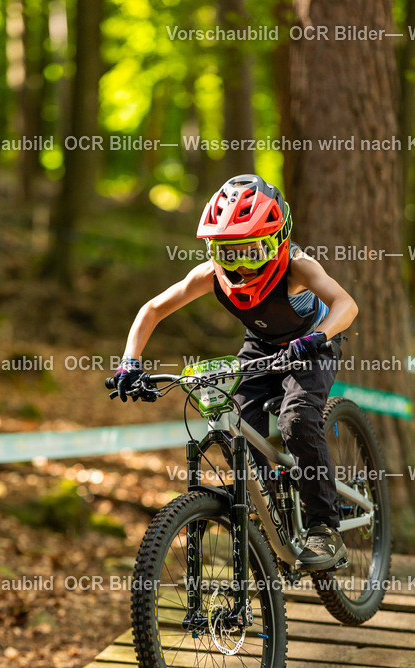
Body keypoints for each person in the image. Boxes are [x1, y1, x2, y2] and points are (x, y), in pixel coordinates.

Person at [110, 173, 359, 571]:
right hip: (260, 348)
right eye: (228, 254)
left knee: (297, 420)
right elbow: (153, 309)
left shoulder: (299, 267)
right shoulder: (209, 275)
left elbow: (347, 305)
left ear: (278, 240)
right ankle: (271, 512)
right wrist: (130, 361)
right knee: (233, 424)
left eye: (252, 252)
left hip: (310, 344)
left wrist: (317, 338)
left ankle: (324, 529)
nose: (241, 267)